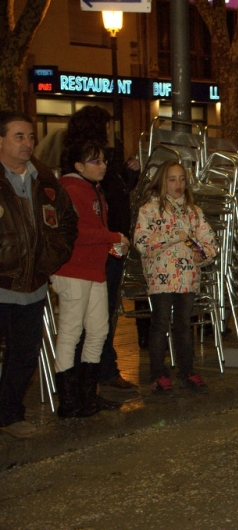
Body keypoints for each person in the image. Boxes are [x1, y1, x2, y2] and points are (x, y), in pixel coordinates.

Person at [0, 111, 78, 438]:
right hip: (2, 285)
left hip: (33, 287)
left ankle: (9, 414)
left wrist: (46, 262)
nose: (28, 143)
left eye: (30, 136)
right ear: (1, 140)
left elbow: (67, 224)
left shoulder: (44, 180)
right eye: (19, 136)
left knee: (24, 355)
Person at [62, 105, 140, 391]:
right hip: (100, 249)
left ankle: (97, 375)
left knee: (100, 318)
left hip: (110, 245)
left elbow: (113, 197)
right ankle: (93, 377)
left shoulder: (100, 166)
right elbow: (89, 215)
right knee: (92, 319)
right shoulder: (84, 169)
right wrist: (112, 236)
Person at [51, 140, 126, 417]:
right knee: (71, 332)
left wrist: (110, 243)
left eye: (104, 160)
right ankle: (69, 401)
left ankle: (87, 395)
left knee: (98, 331)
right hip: (73, 271)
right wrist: (112, 237)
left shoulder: (93, 189)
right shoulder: (72, 189)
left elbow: (94, 230)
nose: (103, 165)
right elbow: (76, 233)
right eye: (96, 161)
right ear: (79, 165)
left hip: (94, 269)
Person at [134, 161, 217, 395]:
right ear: (162, 182)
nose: (178, 184)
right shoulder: (149, 210)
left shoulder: (193, 211)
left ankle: (186, 371)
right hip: (161, 278)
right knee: (160, 325)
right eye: (172, 179)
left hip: (188, 277)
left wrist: (203, 255)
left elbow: (210, 242)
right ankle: (158, 374)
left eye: (181, 179)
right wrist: (173, 236)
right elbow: (142, 243)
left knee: (183, 325)